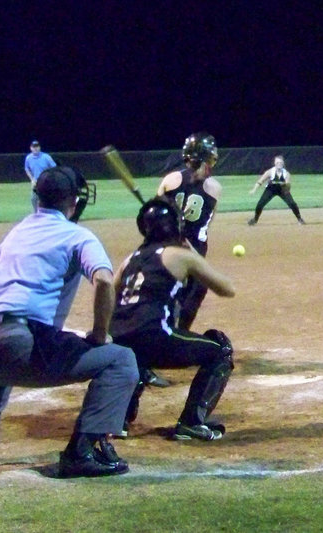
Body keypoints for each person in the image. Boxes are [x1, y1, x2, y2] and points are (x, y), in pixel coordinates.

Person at [0, 166, 138, 478]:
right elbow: (105, 281)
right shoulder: (77, 235)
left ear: (37, 198)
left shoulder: (21, 229)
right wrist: (99, 334)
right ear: (73, 202)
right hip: (14, 345)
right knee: (122, 360)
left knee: (11, 345)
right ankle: (82, 452)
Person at [110, 197, 236, 440]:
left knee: (136, 349)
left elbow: (110, 294)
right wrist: (192, 255)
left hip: (118, 342)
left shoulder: (130, 260)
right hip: (155, 337)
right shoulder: (180, 255)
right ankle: (192, 422)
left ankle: (119, 420)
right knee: (219, 348)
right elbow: (226, 289)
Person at [156, 132, 221, 331]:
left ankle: (163, 327)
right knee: (197, 289)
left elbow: (155, 214)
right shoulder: (214, 188)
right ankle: (181, 333)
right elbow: (206, 223)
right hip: (195, 250)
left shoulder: (170, 179)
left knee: (166, 289)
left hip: (166, 245)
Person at [247, 155, 305, 225]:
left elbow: (287, 184)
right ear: (274, 163)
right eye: (277, 162)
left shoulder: (286, 173)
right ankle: (255, 220)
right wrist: (254, 190)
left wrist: (287, 190)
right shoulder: (270, 172)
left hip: (282, 190)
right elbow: (260, 181)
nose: (279, 164)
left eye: (280, 163)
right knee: (260, 204)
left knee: (292, 203)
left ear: (283, 164)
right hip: (271, 189)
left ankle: (299, 219)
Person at [24, 139, 57, 211]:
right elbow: (27, 169)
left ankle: (51, 214)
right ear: (31, 148)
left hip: (47, 181)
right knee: (34, 199)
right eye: (34, 147)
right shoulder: (28, 158)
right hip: (36, 181)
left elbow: (54, 168)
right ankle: (36, 214)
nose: (35, 148)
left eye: (37, 146)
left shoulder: (46, 157)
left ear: (39, 147)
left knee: (48, 199)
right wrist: (32, 179)